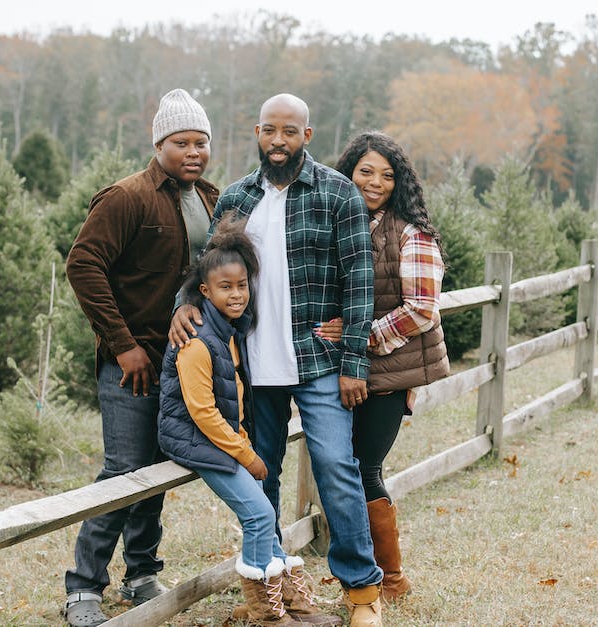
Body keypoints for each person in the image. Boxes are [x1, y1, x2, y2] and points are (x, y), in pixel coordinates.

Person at [170, 93, 384, 627]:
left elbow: (359, 282)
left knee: (337, 468)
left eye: (290, 132)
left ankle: (363, 593)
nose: (278, 141)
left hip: (319, 361)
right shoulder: (236, 199)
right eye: (269, 131)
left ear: (307, 136)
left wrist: (354, 359)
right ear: (258, 132)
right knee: (260, 474)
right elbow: (210, 272)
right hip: (251, 367)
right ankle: (267, 595)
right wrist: (183, 307)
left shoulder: (337, 194)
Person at [62, 88, 217, 627]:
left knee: (159, 468)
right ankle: (83, 586)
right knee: (124, 470)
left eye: (201, 142)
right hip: (133, 363)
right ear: (158, 144)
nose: (193, 152)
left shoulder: (210, 199)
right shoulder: (126, 197)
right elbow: (83, 265)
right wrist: (123, 344)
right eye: (181, 142)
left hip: (181, 364)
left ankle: (142, 574)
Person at [157, 217, 314, 627]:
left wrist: (243, 443)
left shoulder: (232, 328)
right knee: (260, 516)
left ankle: (284, 597)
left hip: (222, 437)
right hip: (195, 439)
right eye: (225, 287)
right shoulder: (196, 339)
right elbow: (203, 412)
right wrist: (247, 454)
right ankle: (266, 613)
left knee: (264, 511)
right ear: (205, 291)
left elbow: (236, 400)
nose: (237, 293)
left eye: (242, 284)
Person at [320, 131, 449, 603]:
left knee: (363, 468)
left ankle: (389, 579)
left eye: (387, 175)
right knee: (340, 467)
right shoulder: (340, 223)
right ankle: (359, 572)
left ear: (400, 184)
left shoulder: (409, 233)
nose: (375, 182)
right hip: (344, 370)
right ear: (347, 172)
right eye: (366, 171)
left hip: (385, 372)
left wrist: (359, 338)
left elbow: (421, 309)